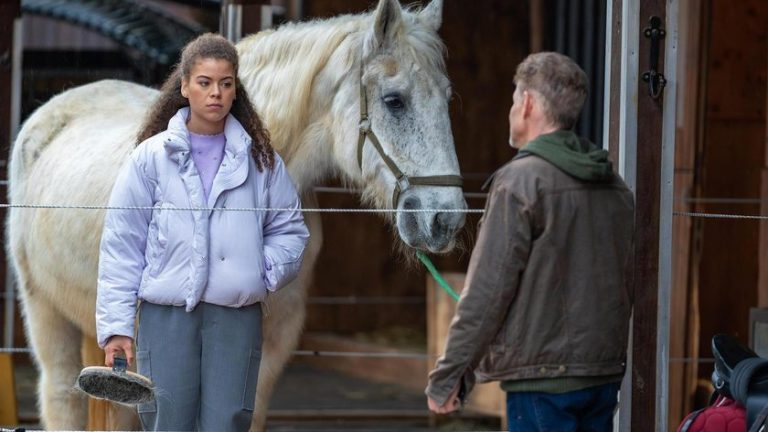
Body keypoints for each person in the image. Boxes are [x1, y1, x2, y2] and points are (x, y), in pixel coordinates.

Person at [96, 33, 309, 431]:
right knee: (166, 418)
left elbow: (290, 231)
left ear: (235, 89)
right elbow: (122, 245)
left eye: (226, 84)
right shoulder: (151, 158)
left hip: (235, 317)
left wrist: (259, 272)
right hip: (166, 316)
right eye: (205, 83)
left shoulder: (262, 161)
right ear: (184, 86)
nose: (216, 94)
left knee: (228, 421)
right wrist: (117, 328)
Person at [425, 52, 635, 431]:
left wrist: (450, 374)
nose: (510, 109)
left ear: (527, 104)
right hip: (602, 377)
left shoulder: (521, 182)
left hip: (541, 385)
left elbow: (488, 291)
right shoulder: (616, 187)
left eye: (512, 99)